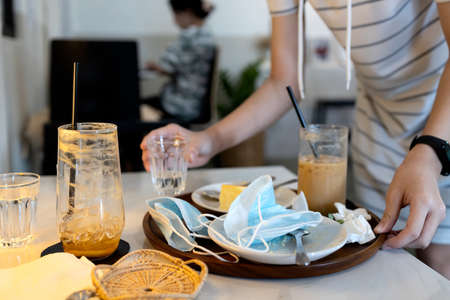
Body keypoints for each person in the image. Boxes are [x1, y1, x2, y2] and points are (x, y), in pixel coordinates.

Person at [141, 0, 450, 278]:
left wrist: (430, 151)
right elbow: (283, 82)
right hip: (378, 118)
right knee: (381, 255)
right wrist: (209, 139)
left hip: (443, 115)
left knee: (439, 258)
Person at [144, 0, 216, 122]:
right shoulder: (207, 34)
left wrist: (154, 66)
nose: (175, 20)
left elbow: (167, 67)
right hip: (195, 102)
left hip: (181, 105)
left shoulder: (190, 36)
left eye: (175, 15)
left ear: (186, 13)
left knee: (133, 107)